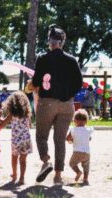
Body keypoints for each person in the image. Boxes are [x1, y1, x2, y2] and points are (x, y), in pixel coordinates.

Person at [27, 24, 83, 184]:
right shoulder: (71, 60)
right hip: (67, 105)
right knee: (60, 140)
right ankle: (58, 175)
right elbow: (79, 83)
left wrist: (33, 83)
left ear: (49, 42)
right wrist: (67, 94)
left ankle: (46, 162)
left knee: (41, 136)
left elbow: (37, 81)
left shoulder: (43, 58)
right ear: (62, 42)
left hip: (47, 103)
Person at [3, 91, 33, 185]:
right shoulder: (27, 114)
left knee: (14, 157)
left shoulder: (12, 114)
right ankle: (22, 178)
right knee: (23, 160)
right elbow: (30, 125)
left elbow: (3, 124)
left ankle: (15, 174)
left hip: (16, 139)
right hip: (26, 139)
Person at [66, 109, 94, 185]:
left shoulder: (73, 129)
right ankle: (85, 178)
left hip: (77, 152)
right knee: (86, 166)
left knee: (72, 163)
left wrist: (70, 139)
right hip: (87, 152)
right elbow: (89, 138)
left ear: (75, 121)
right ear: (86, 121)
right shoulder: (89, 129)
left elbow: (68, 138)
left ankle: (78, 172)